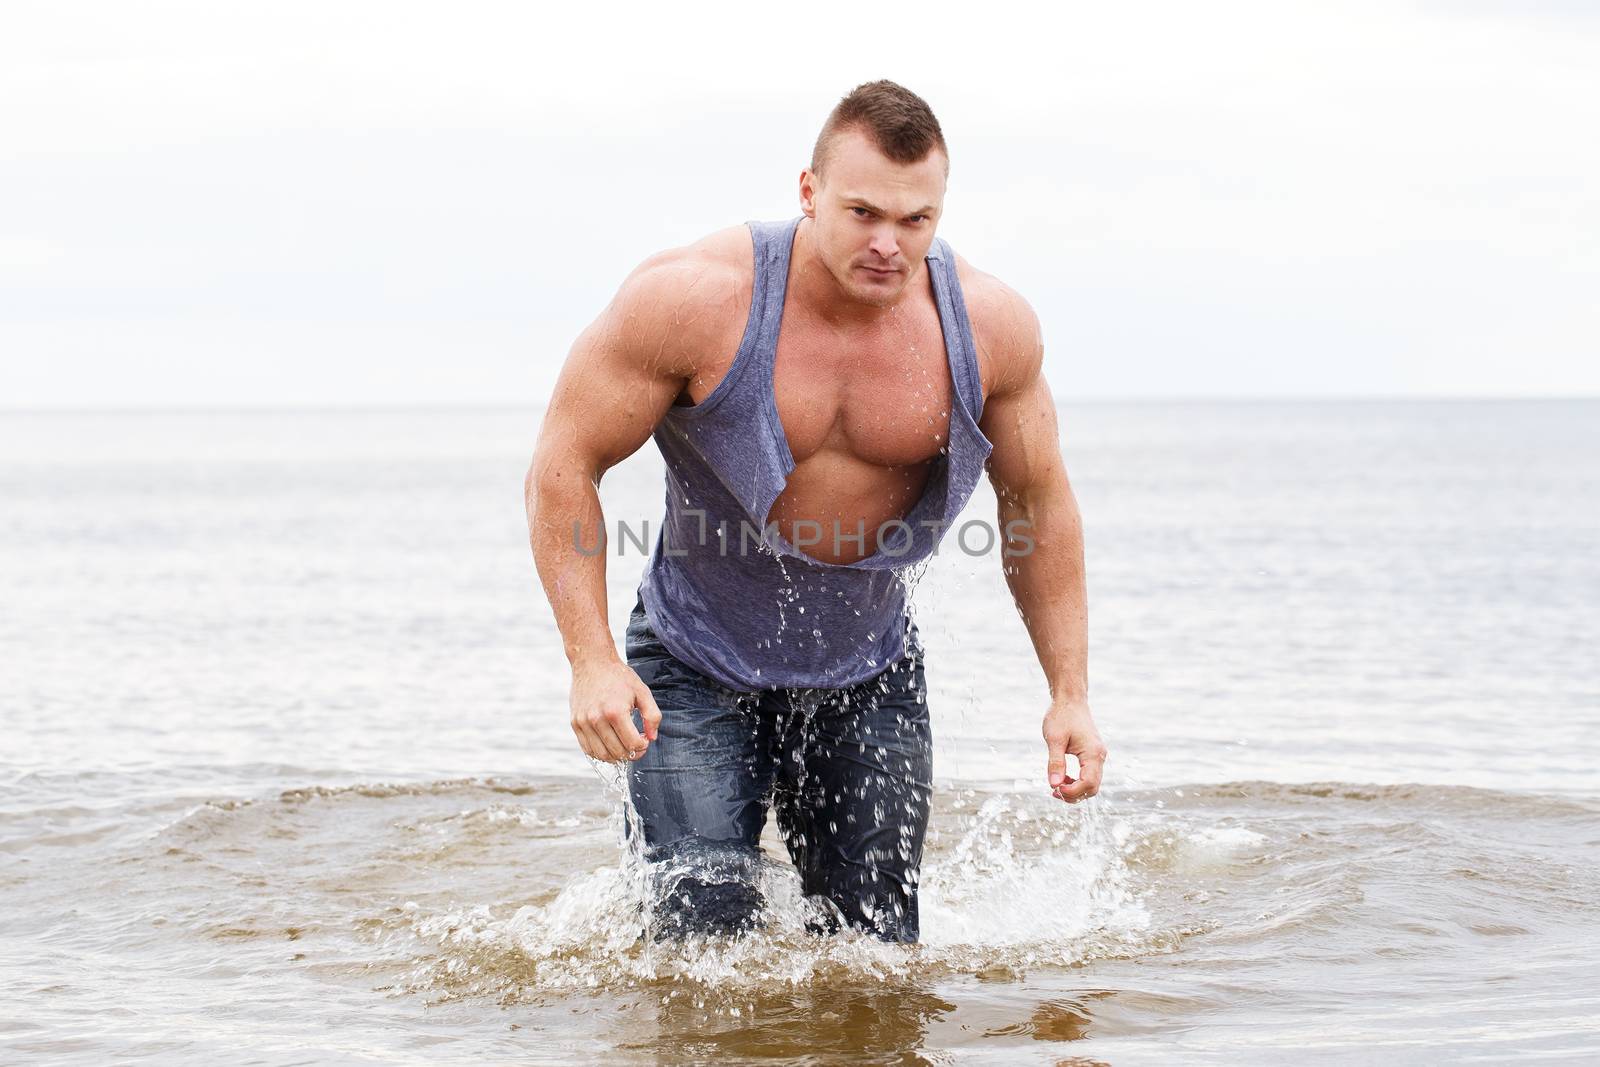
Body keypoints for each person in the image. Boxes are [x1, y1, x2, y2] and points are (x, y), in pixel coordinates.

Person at [525, 80, 1106, 943]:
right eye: (863, 212)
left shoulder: (985, 329)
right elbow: (563, 467)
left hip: (866, 669)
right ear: (808, 191)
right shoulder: (693, 302)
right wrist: (592, 660)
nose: (888, 244)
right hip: (692, 662)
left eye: (916, 220)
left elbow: (1037, 500)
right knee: (697, 943)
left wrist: (1070, 692)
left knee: (876, 949)